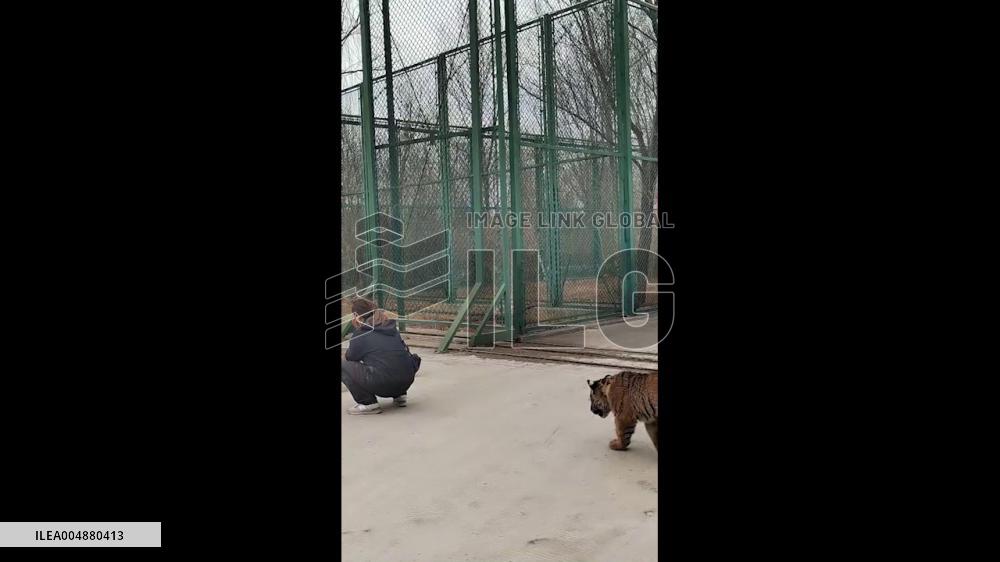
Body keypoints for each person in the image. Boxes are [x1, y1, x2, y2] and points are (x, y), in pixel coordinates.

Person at [341, 297, 415, 415]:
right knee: (393, 360)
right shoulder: (392, 329)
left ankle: (368, 403)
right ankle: (400, 396)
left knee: (343, 365)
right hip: (407, 380)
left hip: (384, 384)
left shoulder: (361, 333)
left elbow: (350, 358)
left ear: (357, 316)